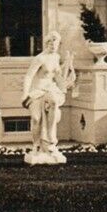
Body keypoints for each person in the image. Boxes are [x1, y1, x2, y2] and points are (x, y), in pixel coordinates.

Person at [21, 32, 72, 164]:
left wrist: (67, 65)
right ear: (46, 44)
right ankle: (36, 144)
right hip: (37, 91)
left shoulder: (56, 57)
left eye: (55, 44)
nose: (53, 46)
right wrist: (25, 93)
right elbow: (28, 76)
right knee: (36, 119)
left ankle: (50, 138)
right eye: (50, 43)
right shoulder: (40, 58)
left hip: (50, 88)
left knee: (54, 102)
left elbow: (57, 76)